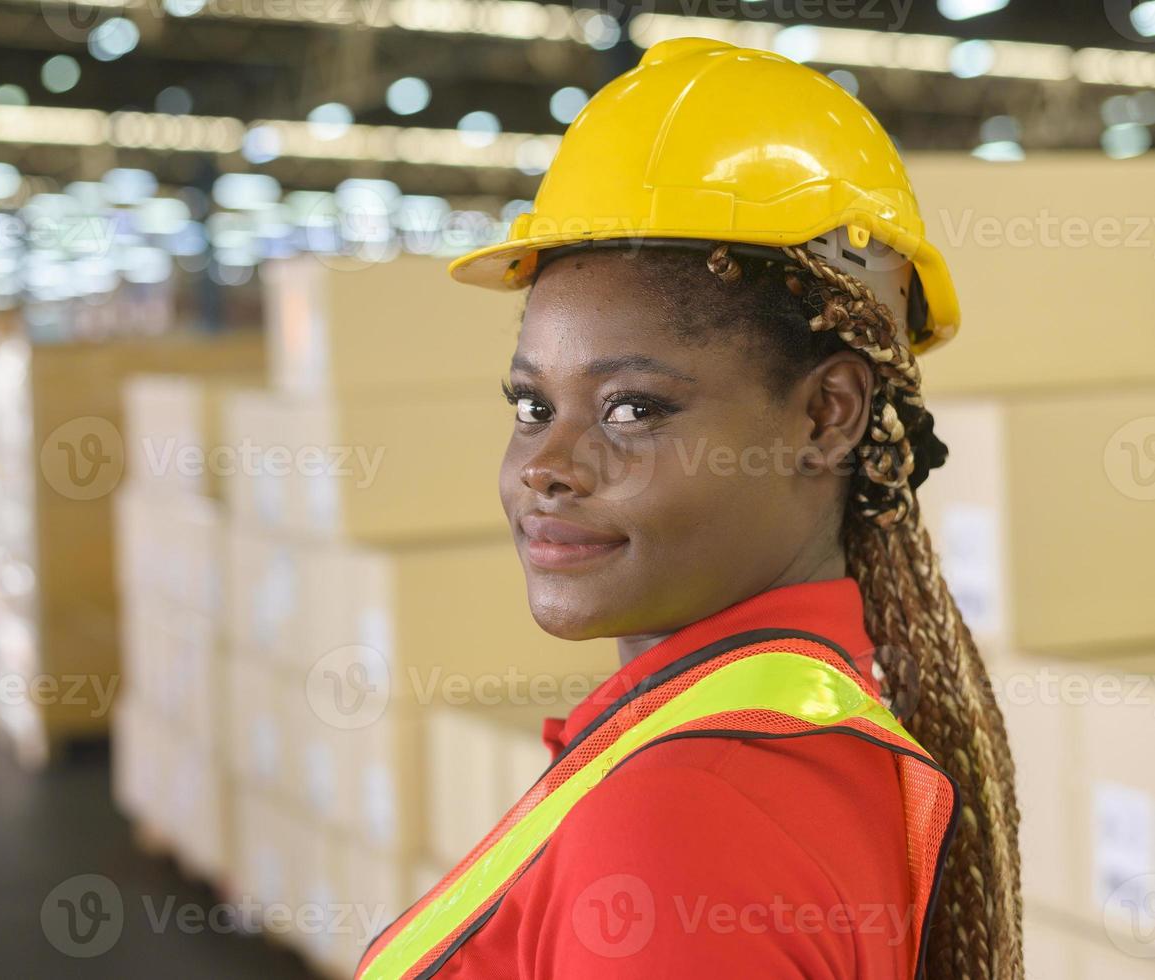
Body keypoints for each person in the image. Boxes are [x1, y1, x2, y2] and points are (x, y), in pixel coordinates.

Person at [356, 38, 1022, 979]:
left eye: (632, 407)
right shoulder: (774, 737)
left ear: (825, 415)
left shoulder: (683, 823)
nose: (544, 466)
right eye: (531, 405)